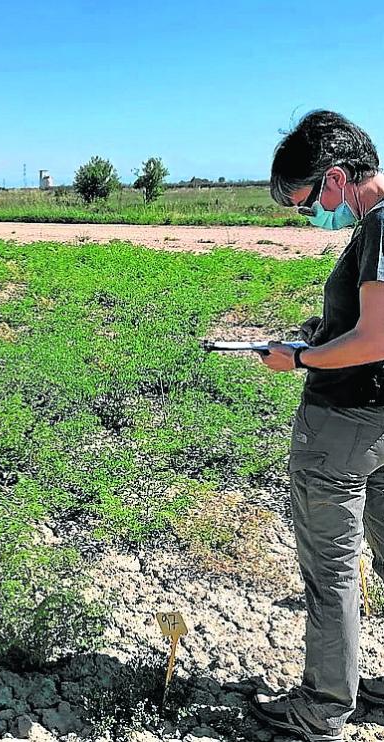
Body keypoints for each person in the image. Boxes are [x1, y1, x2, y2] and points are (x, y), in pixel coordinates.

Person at [253, 110, 384, 741]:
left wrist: (300, 358)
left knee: (330, 572)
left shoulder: (380, 228)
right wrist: (322, 333)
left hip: (343, 423)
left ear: (336, 178)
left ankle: (323, 708)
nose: (310, 218)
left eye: (308, 204)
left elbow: (374, 339)